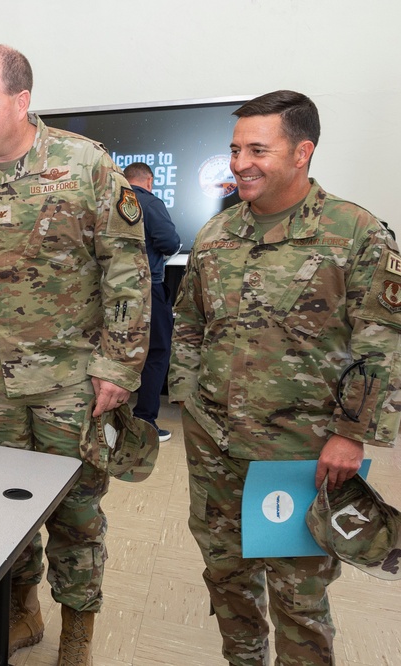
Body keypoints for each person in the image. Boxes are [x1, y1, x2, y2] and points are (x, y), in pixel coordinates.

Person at [0, 44, 150, 664]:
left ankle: (78, 634)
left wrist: (119, 367)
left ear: (22, 100)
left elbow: (126, 272)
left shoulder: (84, 166)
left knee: (76, 515)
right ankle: (19, 612)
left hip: (74, 386)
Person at [169, 90, 401, 665]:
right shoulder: (217, 235)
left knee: (298, 594)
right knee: (226, 576)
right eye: (234, 148)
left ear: (302, 152)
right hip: (215, 447)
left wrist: (351, 433)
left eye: (257, 149)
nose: (240, 162)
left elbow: (383, 346)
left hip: (301, 454)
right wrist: (189, 402)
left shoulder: (356, 234)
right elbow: (190, 323)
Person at [123, 162, 180, 441]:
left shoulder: (109, 200)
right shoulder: (149, 201)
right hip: (148, 290)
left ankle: (113, 422)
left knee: (117, 353)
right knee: (157, 354)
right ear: (149, 180)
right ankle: (144, 422)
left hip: (111, 293)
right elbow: (169, 242)